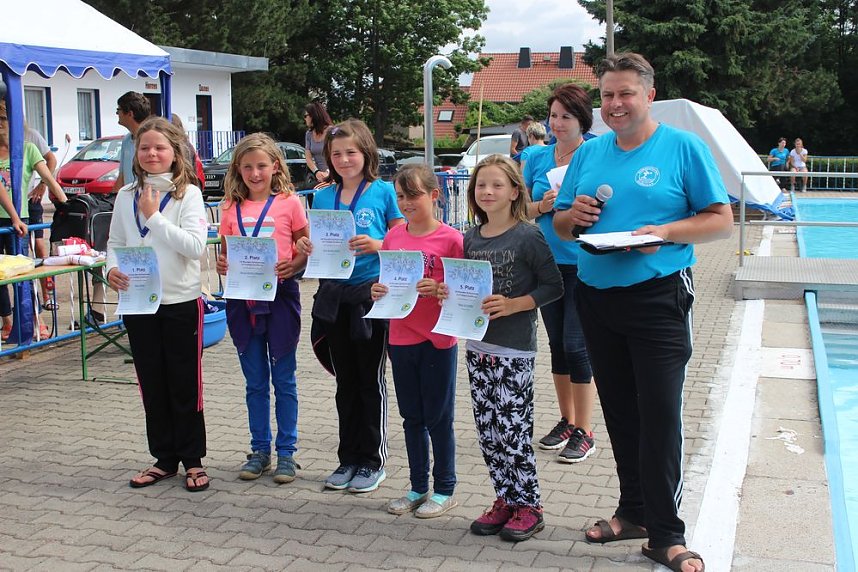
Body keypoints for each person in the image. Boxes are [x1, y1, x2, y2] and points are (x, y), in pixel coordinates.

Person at [552, 52, 732, 572]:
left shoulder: (683, 148)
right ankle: (633, 513)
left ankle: (667, 534)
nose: (615, 104)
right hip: (596, 296)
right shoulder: (589, 154)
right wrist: (574, 217)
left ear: (649, 95)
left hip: (659, 297)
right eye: (607, 94)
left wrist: (665, 232)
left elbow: (720, 219)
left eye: (626, 93)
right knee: (621, 413)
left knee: (659, 416)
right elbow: (562, 225)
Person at [456, 154, 562, 542]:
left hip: (514, 352)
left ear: (515, 191)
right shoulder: (470, 236)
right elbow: (465, 287)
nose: (488, 191)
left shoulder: (528, 235)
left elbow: (554, 286)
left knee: (513, 429)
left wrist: (516, 304)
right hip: (477, 346)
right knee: (488, 430)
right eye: (481, 185)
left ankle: (529, 505)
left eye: (497, 185)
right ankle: (504, 498)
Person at [296, 119, 404, 494]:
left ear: (367, 154)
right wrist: (306, 247)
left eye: (351, 153)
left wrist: (379, 245)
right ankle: (348, 459)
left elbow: (404, 238)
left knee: (369, 382)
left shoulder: (385, 192)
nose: (344, 160)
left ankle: (373, 461)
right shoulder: (323, 196)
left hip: (369, 297)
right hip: (333, 297)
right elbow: (316, 240)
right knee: (344, 384)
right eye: (337, 153)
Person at [105, 116, 210, 493]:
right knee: (152, 381)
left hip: (180, 301)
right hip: (139, 303)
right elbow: (115, 242)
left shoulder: (189, 195)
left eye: (159, 147)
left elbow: (196, 247)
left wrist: (155, 218)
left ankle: (193, 460)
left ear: (175, 152)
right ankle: (164, 458)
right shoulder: (124, 194)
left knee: (184, 382)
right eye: (145, 147)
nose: (151, 153)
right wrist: (111, 270)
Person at [371, 164, 463, 518]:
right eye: (401, 196)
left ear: (434, 195)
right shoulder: (393, 238)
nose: (407, 202)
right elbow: (386, 283)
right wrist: (376, 290)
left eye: (414, 195)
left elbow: (466, 292)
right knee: (411, 417)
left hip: (439, 338)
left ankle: (445, 488)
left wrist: (442, 289)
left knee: (439, 417)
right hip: (401, 336)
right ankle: (417, 486)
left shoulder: (452, 239)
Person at [216, 133, 308, 484]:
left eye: (262, 166)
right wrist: (223, 265)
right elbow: (226, 253)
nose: (255, 173)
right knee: (255, 381)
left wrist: (295, 263)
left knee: (284, 379)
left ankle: (287, 453)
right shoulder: (229, 208)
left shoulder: (289, 202)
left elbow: (303, 246)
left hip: (281, 297)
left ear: (275, 167)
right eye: (248, 166)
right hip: (243, 300)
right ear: (238, 169)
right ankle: (259, 450)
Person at [522, 84, 596, 464]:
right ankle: (567, 419)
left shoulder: (594, 153)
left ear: (582, 120)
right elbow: (520, 210)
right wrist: (542, 204)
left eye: (566, 116)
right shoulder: (535, 155)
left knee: (575, 343)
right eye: (553, 115)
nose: (558, 123)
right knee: (556, 345)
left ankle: (586, 428)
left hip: (583, 263)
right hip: (545, 264)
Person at [0, 101, 67, 341]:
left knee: (23, 273)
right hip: (10, 219)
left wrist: (65, 205)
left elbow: (47, 174)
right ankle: (8, 322)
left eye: (3, 119)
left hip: (20, 219)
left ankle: (34, 321)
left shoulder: (27, 148)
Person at [23, 124, 57, 309]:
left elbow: (51, 159)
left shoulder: (31, 135)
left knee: (37, 245)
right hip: (10, 205)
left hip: (30, 200)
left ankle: (47, 295)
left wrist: (42, 184)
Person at [112, 91, 151, 192]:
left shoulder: (152, 141)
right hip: (128, 200)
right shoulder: (126, 140)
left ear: (130, 113)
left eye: (118, 109)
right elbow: (122, 176)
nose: (117, 113)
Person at [303, 101, 334, 185]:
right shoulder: (308, 134)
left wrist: (329, 172)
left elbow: (336, 154)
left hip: (334, 174)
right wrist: (317, 172)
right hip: (319, 177)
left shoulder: (331, 132)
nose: (304, 119)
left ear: (313, 116)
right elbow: (308, 158)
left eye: (306, 116)